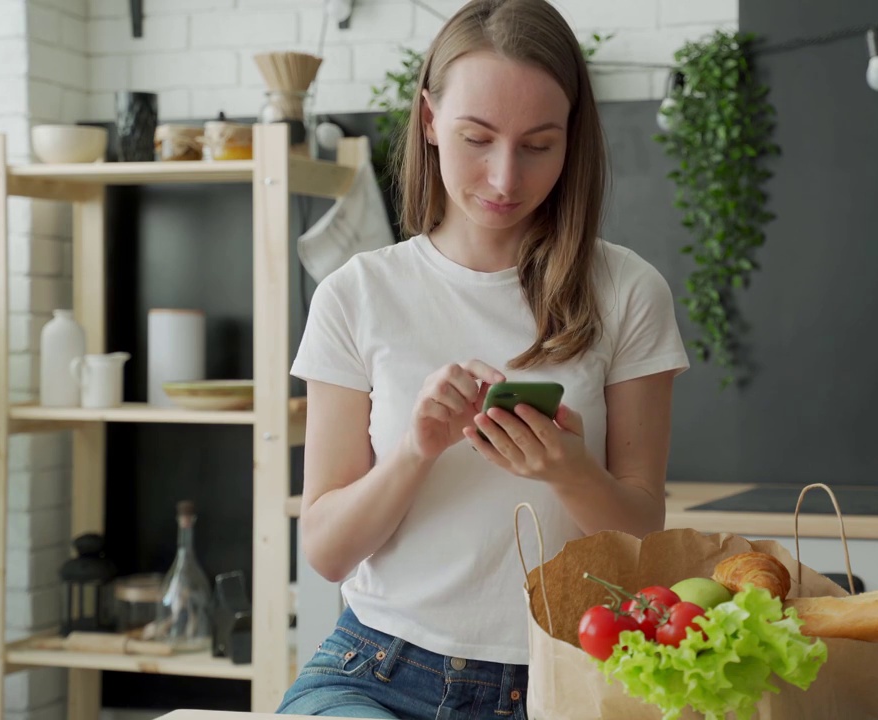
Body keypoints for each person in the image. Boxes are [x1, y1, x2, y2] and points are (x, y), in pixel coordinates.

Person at [278, 0, 690, 717]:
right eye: (477, 137)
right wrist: (415, 448)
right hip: (373, 669)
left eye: (538, 145)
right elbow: (327, 551)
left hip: (562, 681)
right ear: (430, 119)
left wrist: (569, 470)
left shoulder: (628, 292)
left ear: (573, 140)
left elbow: (644, 539)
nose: (505, 178)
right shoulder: (357, 293)